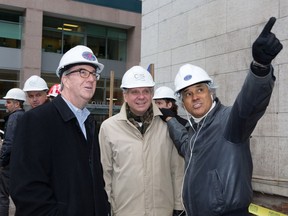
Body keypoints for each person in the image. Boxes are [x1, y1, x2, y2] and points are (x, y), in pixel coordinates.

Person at [160, 17, 283, 216]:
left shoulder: (229, 122)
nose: (195, 97)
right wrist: (170, 120)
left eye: (200, 89)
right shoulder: (194, 132)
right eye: (187, 94)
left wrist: (260, 68)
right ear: (183, 103)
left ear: (211, 92)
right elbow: (183, 142)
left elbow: (249, 106)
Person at [10, 45, 110, 216]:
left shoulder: (88, 123)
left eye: (94, 74)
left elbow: (94, 180)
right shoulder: (37, 120)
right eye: (83, 72)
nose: (91, 79)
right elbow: (27, 189)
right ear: (65, 79)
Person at [99, 66, 185, 216]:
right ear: (125, 95)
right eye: (135, 92)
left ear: (152, 94)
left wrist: (179, 206)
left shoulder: (166, 124)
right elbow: (105, 174)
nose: (141, 96)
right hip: (125, 211)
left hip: (162, 211)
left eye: (146, 91)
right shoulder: (109, 128)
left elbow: (176, 169)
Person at [0, 88, 26, 216]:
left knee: (2, 196)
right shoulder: (25, 116)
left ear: (17, 104)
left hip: (10, 164)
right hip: (20, 163)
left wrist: (1, 162)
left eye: (9, 102)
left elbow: (9, 143)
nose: (6, 104)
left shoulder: (14, 117)